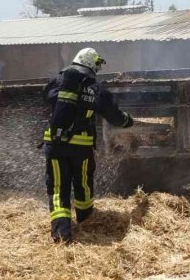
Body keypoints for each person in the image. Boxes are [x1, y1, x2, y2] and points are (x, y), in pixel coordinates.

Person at [42, 47, 134, 243]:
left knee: (58, 187)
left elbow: (47, 98)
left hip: (57, 144)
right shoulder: (96, 88)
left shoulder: (59, 80)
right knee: (83, 184)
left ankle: (61, 234)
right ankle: (86, 221)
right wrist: (128, 121)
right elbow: (114, 116)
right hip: (82, 148)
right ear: (93, 65)